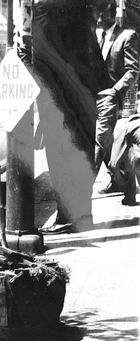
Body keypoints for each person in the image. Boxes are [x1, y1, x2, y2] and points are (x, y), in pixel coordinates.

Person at [33, 0, 110, 235]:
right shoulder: (78, 11)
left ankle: (70, 216)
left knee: (63, 156)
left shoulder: (45, 10)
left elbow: (42, 59)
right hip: (83, 94)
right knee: (81, 152)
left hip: (63, 98)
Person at [94, 0, 139, 201]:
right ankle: (126, 188)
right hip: (102, 100)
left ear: (109, 14)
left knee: (101, 144)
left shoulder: (127, 36)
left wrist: (115, 90)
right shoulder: (100, 37)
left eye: (100, 14)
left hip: (119, 100)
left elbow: (133, 71)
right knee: (112, 146)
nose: (97, 18)